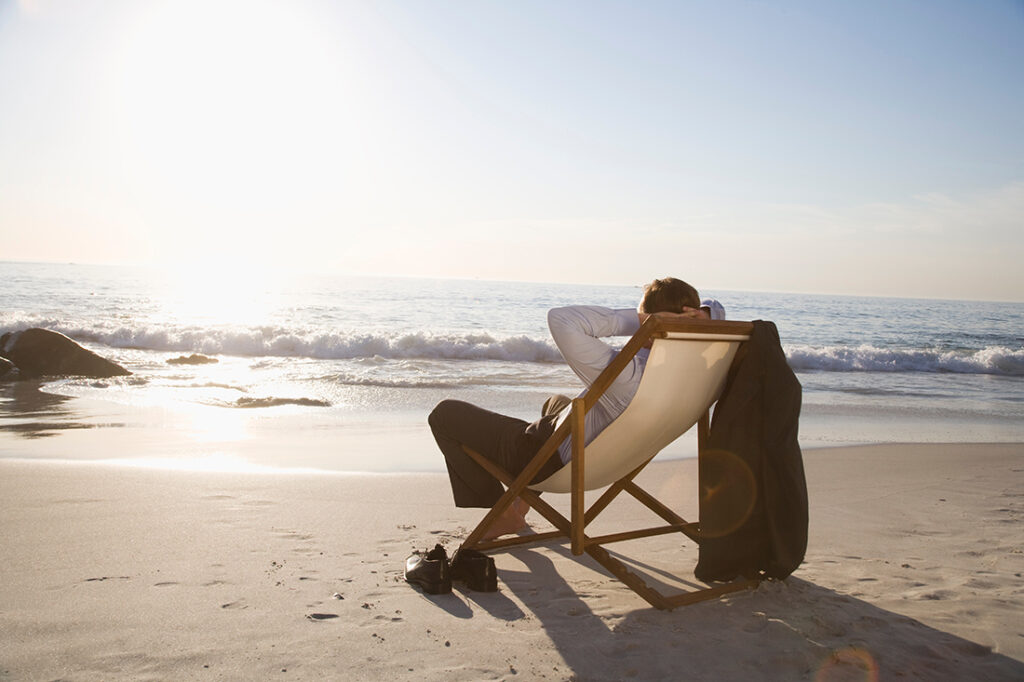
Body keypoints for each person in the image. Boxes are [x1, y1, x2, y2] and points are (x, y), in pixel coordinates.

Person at [427, 277, 726, 540]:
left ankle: (502, 512)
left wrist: (640, 320)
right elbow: (720, 310)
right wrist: (700, 316)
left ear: (651, 322)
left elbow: (561, 319)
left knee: (444, 414)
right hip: (613, 461)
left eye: (642, 315)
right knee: (557, 403)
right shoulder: (702, 372)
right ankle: (521, 504)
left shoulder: (628, 374)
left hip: (549, 458)